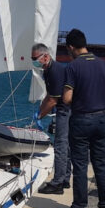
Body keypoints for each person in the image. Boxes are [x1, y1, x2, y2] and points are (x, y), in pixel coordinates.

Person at [58, 29, 105, 208]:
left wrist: (81, 97)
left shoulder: (73, 67)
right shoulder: (103, 64)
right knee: (101, 163)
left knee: (81, 165)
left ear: (71, 47)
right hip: (101, 118)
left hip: (82, 119)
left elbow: (67, 98)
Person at [31, 43, 70, 195]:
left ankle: (57, 183)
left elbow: (53, 100)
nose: (33, 61)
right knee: (65, 146)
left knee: (60, 146)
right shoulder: (47, 71)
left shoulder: (55, 70)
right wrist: (39, 111)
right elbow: (49, 95)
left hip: (66, 110)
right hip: (63, 108)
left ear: (45, 56)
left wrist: (40, 116)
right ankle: (65, 178)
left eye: (35, 58)